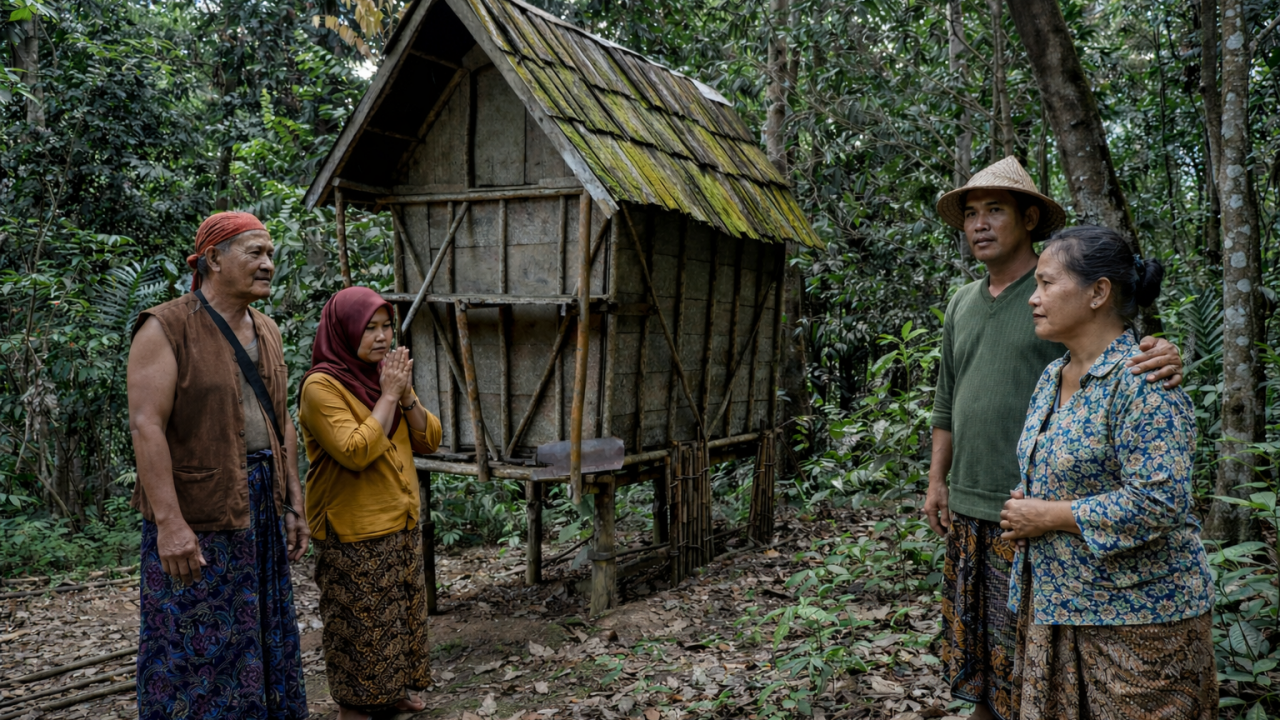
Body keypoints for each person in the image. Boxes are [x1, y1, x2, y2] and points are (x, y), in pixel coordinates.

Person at [925, 157, 1184, 720]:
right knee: (986, 651)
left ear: (1029, 218)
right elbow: (948, 395)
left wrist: (1162, 352)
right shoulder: (969, 307)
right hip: (993, 506)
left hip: (1047, 523)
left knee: (1026, 656)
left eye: (995, 209)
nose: (980, 224)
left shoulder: (1076, 320)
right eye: (971, 213)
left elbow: (1117, 353)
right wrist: (937, 480)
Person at [999, 225, 1216, 719]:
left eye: (1047, 284)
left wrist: (1050, 515)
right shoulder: (1053, 375)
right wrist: (1028, 498)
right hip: (1060, 603)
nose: (1033, 298)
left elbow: (1161, 500)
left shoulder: (1143, 381)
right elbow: (1063, 467)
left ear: (1098, 292)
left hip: (1138, 619)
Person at [128, 211, 309, 719]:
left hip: (260, 506)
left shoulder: (267, 329)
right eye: (256, 253)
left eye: (270, 254)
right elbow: (147, 426)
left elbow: (282, 422)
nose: (269, 264)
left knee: (263, 632)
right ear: (213, 259)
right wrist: (170, 524)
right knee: (191, 644)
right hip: (198, 517)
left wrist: (294, 502)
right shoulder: (165, 327)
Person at [297, 286, 443, 720]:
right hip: (353, 526)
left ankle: (392, 691)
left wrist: (406, 395)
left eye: (386, 327)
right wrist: (389, 396)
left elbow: (430, 439)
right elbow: (355, 451)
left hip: (398, 518)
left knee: (399, 617)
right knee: (361, 628)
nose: (381, 338)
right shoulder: (321, 387)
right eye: (370, 329)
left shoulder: (382, 381)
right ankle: (357, 709)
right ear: (344, 332)